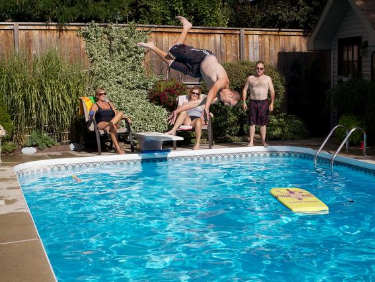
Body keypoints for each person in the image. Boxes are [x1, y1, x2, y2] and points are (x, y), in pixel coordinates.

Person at [137, 16, 240, 124]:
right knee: (174, 49)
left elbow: (196, 103)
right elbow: (213, 90)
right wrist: (207, 107)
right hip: (203, 58)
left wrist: (177, 110)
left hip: (198, 71)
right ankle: (187, 26)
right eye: (228, 102)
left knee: (172, 63)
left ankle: (152, 46)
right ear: (230, 94)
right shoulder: (224, 81)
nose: (225, 104)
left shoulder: (217, 98)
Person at [242, 61, 275, 147]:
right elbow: (245, 90)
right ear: (255, 68)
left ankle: (263, 141)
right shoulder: (250, 78)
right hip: (253, 102)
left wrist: (272, 103)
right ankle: (251, 141)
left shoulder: (267, 78)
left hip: (263, 102)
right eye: (257, 68)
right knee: (252, 122)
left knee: (263, 123)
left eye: (261, 68)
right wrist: (244, 102)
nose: (259, 70)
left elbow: (272, 91)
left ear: (264, 69)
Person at [90, 88, 132, 155]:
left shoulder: (109, 103)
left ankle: (109, 127)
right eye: (101, 94)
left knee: (120, 113)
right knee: (113, 126)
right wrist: (91, 116)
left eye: (104, 93)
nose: (103, 95)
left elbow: (116, 114)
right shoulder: (95, 105)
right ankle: (118, 149)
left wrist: (126, 118)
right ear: (97, 96)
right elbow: (91, 114)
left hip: (112, 123)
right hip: (101, 123)